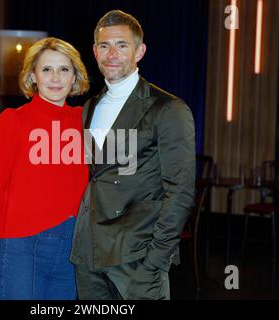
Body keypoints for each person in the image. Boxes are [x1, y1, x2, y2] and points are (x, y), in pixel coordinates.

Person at [70, 10, 195, 300]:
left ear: (139, 51)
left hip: (137, 259)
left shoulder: (167, 108)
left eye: (122, 45)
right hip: (88, 256)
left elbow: (181, 191)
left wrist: (155, 260)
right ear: (94, 51)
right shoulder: (90, 106)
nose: (111, 54)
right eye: (104, 45)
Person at [0, 37, 90, 300]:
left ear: (75, 77)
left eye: (64, 69)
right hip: (20, 247)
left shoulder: (87, 121)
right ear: (33, 76)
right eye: (46, 69)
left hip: (72, 248)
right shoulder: (12, 121)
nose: (55, 77)